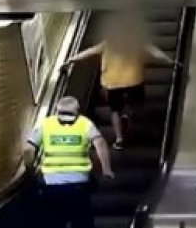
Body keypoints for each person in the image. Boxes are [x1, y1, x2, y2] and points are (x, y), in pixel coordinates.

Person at [27, 95, 114, 228]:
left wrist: (30, 171)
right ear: (77, 111)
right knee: (82, 226)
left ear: (57, 110)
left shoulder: (46, 124)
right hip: (78, 187)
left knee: (53, 226)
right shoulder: (84, 123)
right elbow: (100, 143)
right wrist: (106, 169)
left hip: (51, 187)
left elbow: (28, 149)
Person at [62, 12, 178, 150]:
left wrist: (71, 60)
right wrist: (171, 62)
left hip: (112, 83)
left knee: (114, 110)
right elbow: (155, 52)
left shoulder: (108, 43)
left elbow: (89, 52)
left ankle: (119, 139)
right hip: (133, 80)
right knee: (137, 104)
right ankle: (129, 114)